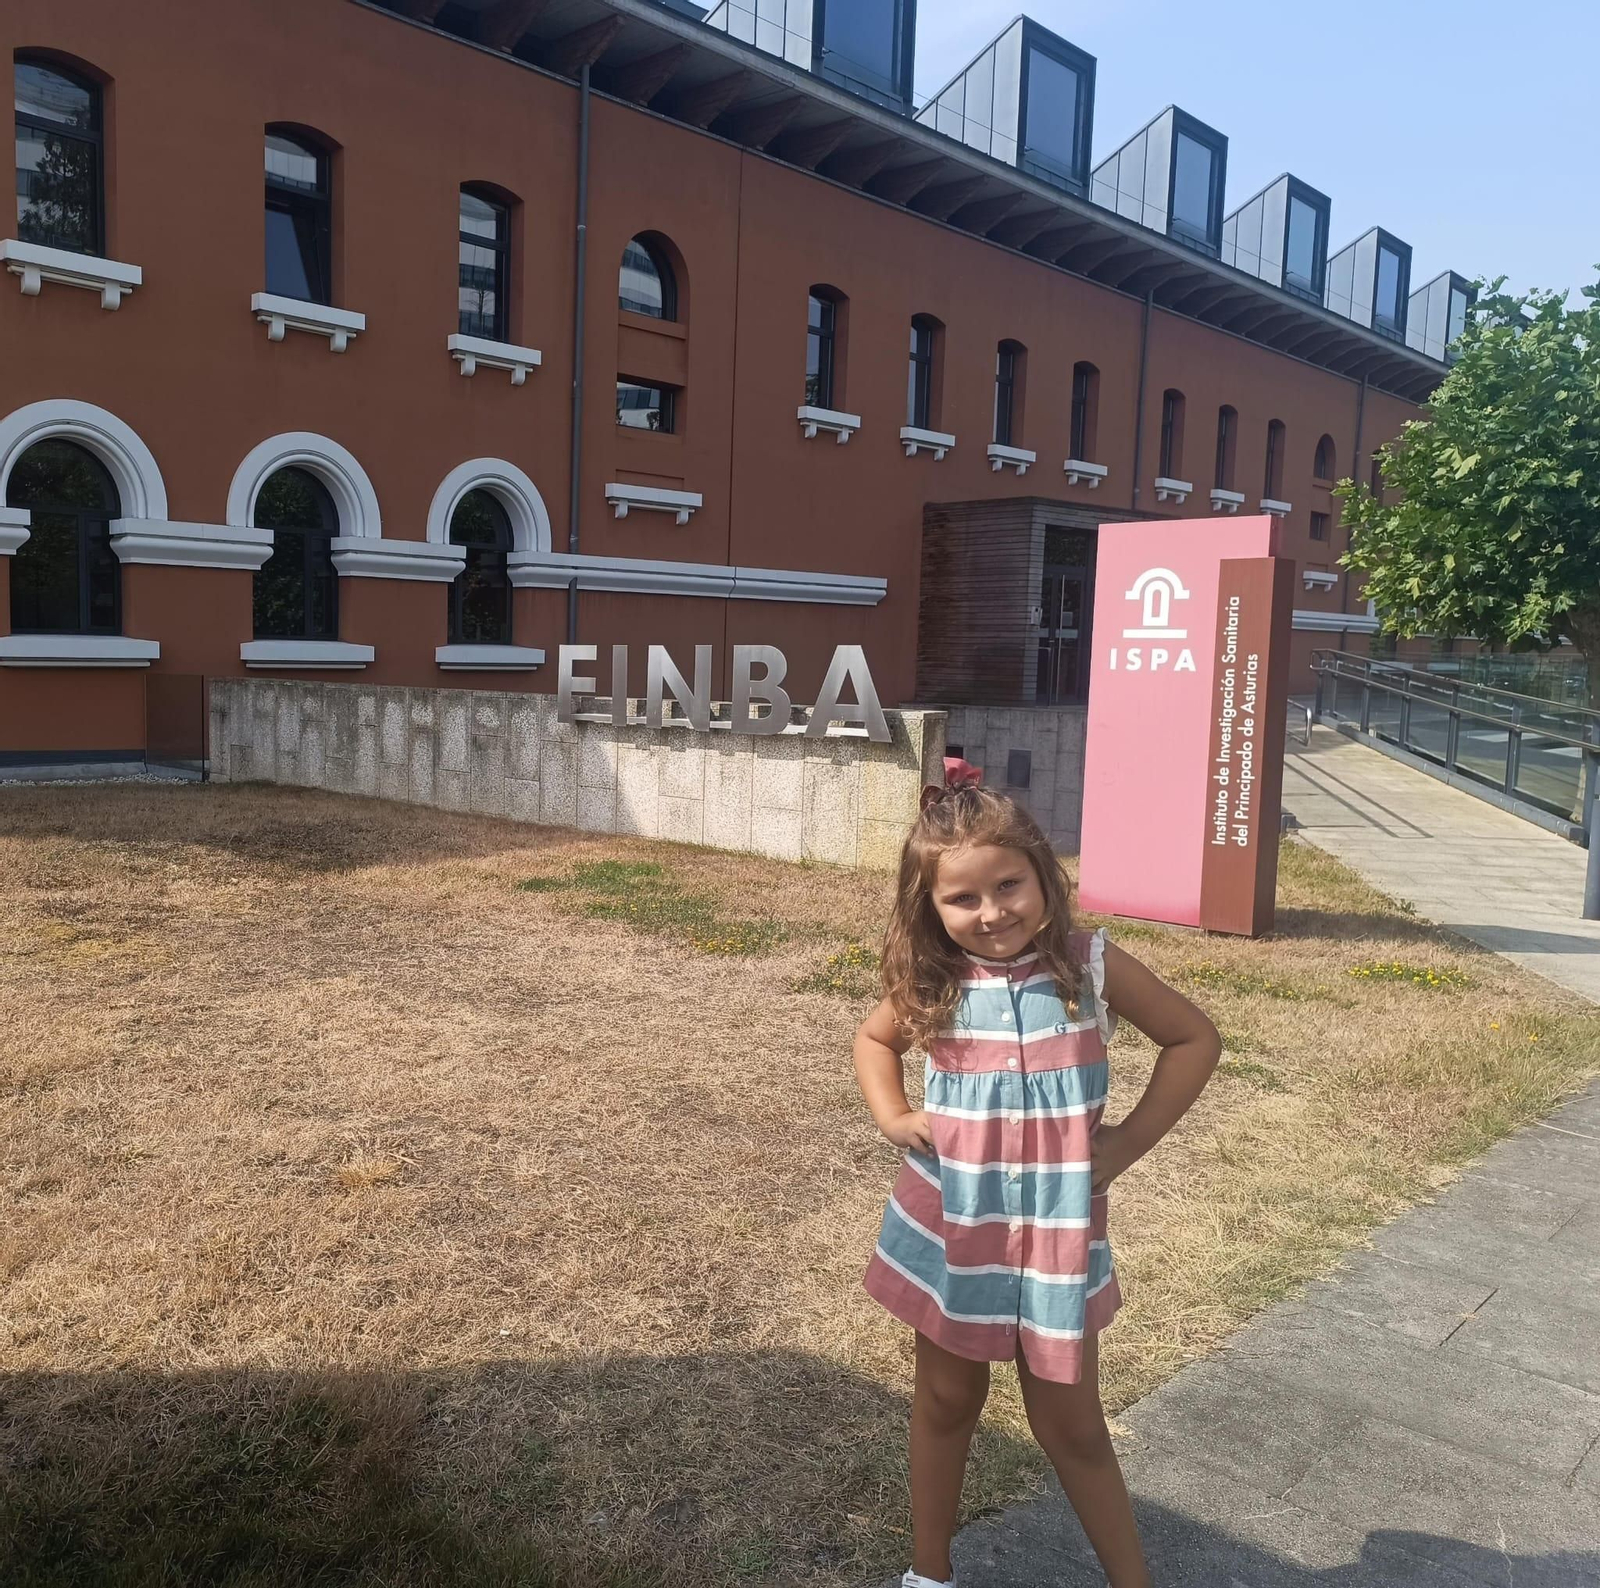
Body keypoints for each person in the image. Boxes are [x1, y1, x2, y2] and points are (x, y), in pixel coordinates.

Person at [854, 767, 1221, 1588]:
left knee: (1073, 1424)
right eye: (963, 899)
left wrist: (1124, 1145)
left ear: (1044, 876)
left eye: (1009, 885)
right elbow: (874, 1041)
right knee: (946, 1402)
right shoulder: (935, 978)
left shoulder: (1090, 967)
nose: (992, 914)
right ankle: (929, 1574)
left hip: (1058, 1234)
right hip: (956, 1227)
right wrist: (893, 1115)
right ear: (931, 908)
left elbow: (1194, 1040)